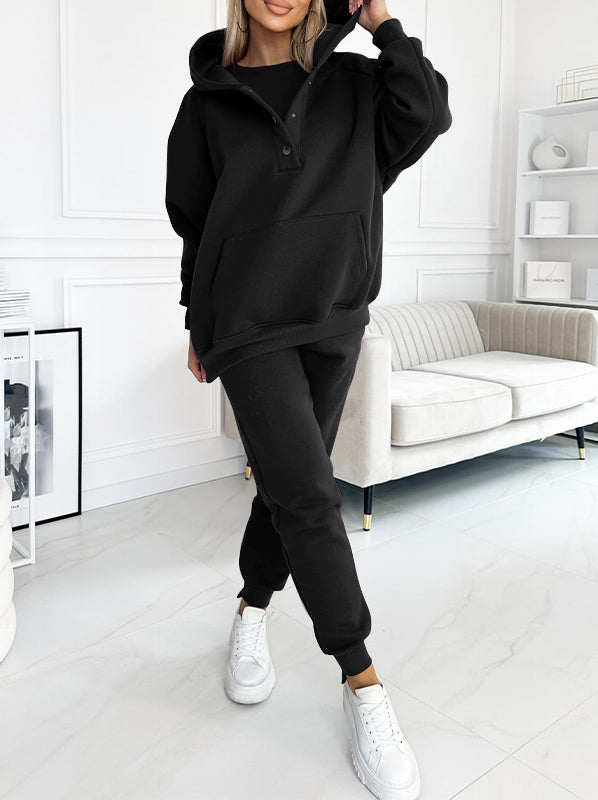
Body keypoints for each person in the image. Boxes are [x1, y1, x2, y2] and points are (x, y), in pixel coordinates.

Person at [165, 1, 452, 797]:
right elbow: (195, 224)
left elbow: (427, 113)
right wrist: (194, 319)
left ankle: (252, 607)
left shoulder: (356, 81)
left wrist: (382, 24)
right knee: (311, 497)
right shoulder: (206, 102)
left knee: (290, 489)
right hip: (245, 324)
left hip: (335, 316)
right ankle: (363, 681)